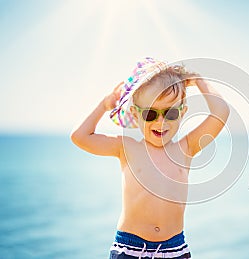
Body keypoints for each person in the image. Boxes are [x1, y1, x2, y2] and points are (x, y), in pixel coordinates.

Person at [70, 57, 230, 258]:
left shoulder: (186, 148)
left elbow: (221, 112)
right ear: (136, 116)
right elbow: (79, 136)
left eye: (170, 113)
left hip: (175, 249)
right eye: (150, 115)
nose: (161, 122)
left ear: (182, 113)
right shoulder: (126, 148)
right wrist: (104, 104)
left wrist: (198, 80)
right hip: (130, 248)